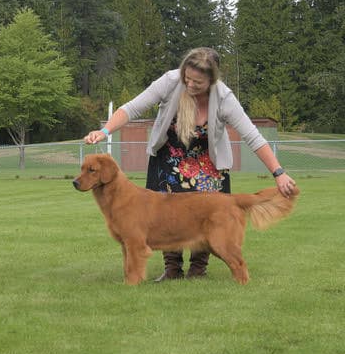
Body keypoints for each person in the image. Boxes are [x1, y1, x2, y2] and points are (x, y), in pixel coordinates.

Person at [84, 47, 297, 281]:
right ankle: (172, 270)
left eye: (198, 82)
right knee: (163, 217)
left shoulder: (224, 98)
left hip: (207, 162)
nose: (190, 85)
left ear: (212, 80)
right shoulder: (170, 81)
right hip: (170, 158)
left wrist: (279, 172)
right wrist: (104, 131)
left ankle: (198, 271)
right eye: (187, 78)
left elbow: (253, 137)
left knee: (209, 218)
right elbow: (132, 108)